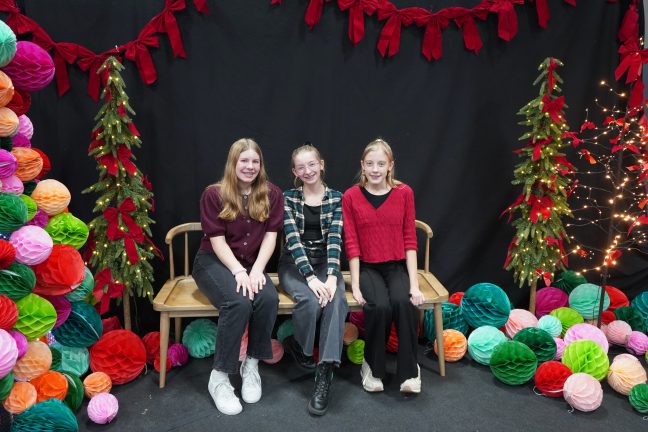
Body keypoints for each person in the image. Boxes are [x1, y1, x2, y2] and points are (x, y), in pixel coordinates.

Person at [192, 138, 283, 415]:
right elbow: (217, 242)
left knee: (268, 298)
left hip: (251, 265)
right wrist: (239, 271)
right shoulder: (214, 194)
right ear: (233, 163)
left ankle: (251, 365)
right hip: (213, 262)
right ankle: (219, 377)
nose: (250, 166)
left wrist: (256, 271)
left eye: (255, 161)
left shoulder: (272, 194)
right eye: (244, 160)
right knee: (238, 302)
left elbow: (271, 237)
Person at [342, 138, 425, 394]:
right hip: (367, 267)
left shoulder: (404, 193)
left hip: (396, 266)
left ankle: (410, 371)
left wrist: (414, 285)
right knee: (379, 306)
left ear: (390, 165)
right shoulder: (351, 196)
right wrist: (356, 285)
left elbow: (410, 239)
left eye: (381, 164)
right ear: (362, 165)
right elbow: (351, 243)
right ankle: (372, 366)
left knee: (404, 302)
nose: (375, 169)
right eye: (370, 164)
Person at [279, 143, 348, 415]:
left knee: (336, 300)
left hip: (325, 263)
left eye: (312, 164)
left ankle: (325, 372)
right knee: (309, 301)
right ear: (294, 172)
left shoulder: (337, 198)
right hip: (294, 264)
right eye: (301, 167)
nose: (307, 171)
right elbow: (293, 240)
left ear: (321, 164)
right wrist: (309, 277)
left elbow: (335, 238)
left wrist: (331, 277)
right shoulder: (287, 198)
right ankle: (300, 348)